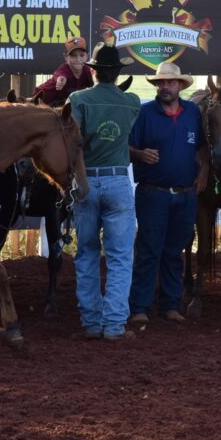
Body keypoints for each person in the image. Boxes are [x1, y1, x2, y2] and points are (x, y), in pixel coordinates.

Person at [68, 43, 141, 341]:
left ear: (94, 71)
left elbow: (74, 143)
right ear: (117, 72)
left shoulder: (78, 99)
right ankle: (113, 325)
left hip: (86, 179)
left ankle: (92, 323)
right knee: (120, 256)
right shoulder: (132, 101)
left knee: (86, 253)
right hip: (117, 180)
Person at [127, 63, 208, 325]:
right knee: (149, 249)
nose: (164, 87)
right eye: (160, 83)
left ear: (181, 86)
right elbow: (126, 147)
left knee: (174, 250)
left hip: (186, 194)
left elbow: (201, 150)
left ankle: (170, 305)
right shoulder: (144, 113)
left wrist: (204, 170)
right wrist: (139, 154)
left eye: (170, 82)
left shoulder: (193, 112)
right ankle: (140, 306)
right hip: (153, 193)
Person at [32, 36, 93, 106]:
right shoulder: (64, 69)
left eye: (82, 55)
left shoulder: (89, 71)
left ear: (87, 57)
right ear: (66, 57)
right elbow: (60, 75)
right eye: (73, 55)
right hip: (43, 103)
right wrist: (61, 80)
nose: (78, 59)